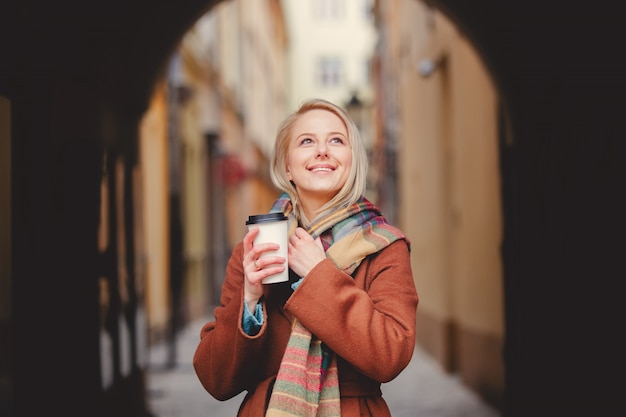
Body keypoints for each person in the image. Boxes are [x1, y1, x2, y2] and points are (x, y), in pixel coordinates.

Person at [193, 98, 418, 417]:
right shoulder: (255, 247)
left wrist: (319, 277)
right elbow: (215, 379)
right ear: (287, 165)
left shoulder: (385, 246)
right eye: (307, 141)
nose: (322, 150)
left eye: (337, 140)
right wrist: (250, 300)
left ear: (352, 160)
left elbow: (390, 355)